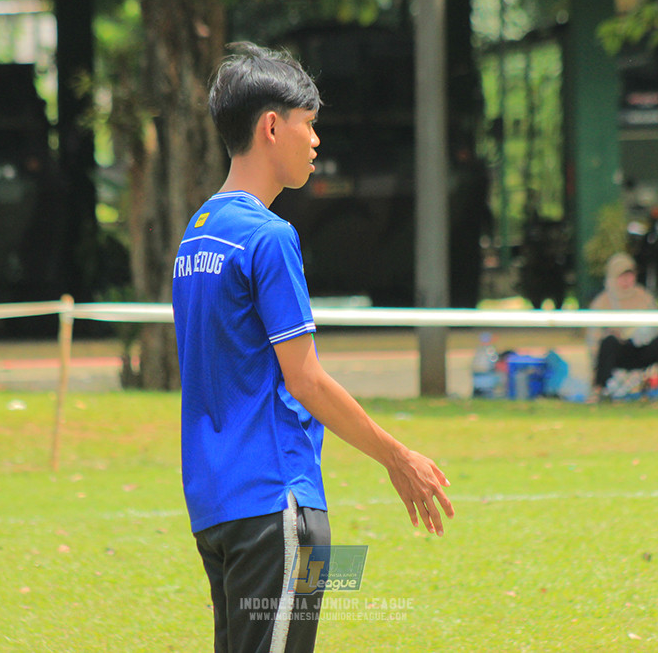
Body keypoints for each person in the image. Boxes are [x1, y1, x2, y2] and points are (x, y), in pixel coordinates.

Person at [171, 42, 454, 653]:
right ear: (272, 127)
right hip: (279, 503)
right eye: (309, 123)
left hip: (216, 507)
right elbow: (305, 380)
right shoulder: (269, 238)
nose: (317, 140)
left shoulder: (197, 237)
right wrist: (397, 457)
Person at [587, 252, 658, 401]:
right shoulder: (602, 302)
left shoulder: (644, 296)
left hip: (642, 349)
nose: (627, 281)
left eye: (630, 276)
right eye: (622, 276)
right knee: (608, 342)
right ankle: (598, 390)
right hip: (619, 352)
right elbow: (593, 338)